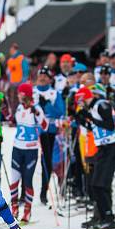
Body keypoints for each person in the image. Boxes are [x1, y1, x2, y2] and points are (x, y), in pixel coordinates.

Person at [75, 85, 115, 229]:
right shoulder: (92, 109)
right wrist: (81, 119)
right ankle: (101, 216)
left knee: (100, 184)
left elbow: (109, 125)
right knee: (95, 184)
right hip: (101, 149)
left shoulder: (102, 105)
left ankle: (108, 217)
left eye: (80, 100)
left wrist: (89, 117)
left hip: (111, 148)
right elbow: (94, 128)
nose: (80, 104)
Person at [10, 82, 48, 223]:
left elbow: (45, 125)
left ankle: (27, 210)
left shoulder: (36, 108)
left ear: (25, 94)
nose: (18, 95)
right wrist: (5, 112)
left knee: (27, 180)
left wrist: (37, 113)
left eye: (20, 93)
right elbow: (13, 121)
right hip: (17, 148)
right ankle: (14, 207)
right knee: (14, 180)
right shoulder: (19, 107)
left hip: (31, 150)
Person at [33, 67, 65, 205]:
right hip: (32, 132)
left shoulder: (54, 93)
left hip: (49, 131)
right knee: (30, 163)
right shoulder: (33, 91)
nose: (42, 78)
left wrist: (46, 105)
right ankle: (24, 194)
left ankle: (43, 193)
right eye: (41, 75)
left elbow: (60, 112)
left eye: (46, 76)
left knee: (46, 162)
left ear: (50, 79)